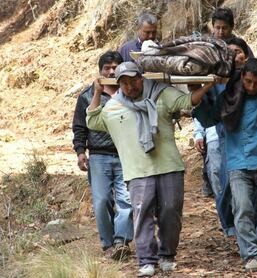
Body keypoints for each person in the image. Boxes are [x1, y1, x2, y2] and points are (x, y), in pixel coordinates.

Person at [86, 61, 213, 277]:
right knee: (142, 215)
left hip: (169, 166)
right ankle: (146, 260)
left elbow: (188, 100)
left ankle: (167, 255)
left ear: (141, 78)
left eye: (133, 81)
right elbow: (92, 119)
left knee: (171, 213)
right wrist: (98, 92)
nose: (129, 87)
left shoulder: (161, 94)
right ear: (119, 85)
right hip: (137, 171)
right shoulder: (114, 106)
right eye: (124, 83)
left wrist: (208, 84)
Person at [195, 58, 257, 272]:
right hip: (238, 163)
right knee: (243, 209)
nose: (252, 87)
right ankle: (251, 254)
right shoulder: (228, 99)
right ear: (242, 78)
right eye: (247, 81)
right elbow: (209, 118)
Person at [72, 51, 133, 260]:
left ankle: (121, 242)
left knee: (126, 200)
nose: (111, 71)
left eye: (115, 67)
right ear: (100, 71)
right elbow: (80, 127)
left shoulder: (130, 92)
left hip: (126, 154)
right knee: (102, 201)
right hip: (98, 156)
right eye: (107, 68)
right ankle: (108, 244)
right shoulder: (88, 95)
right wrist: (80, 152)